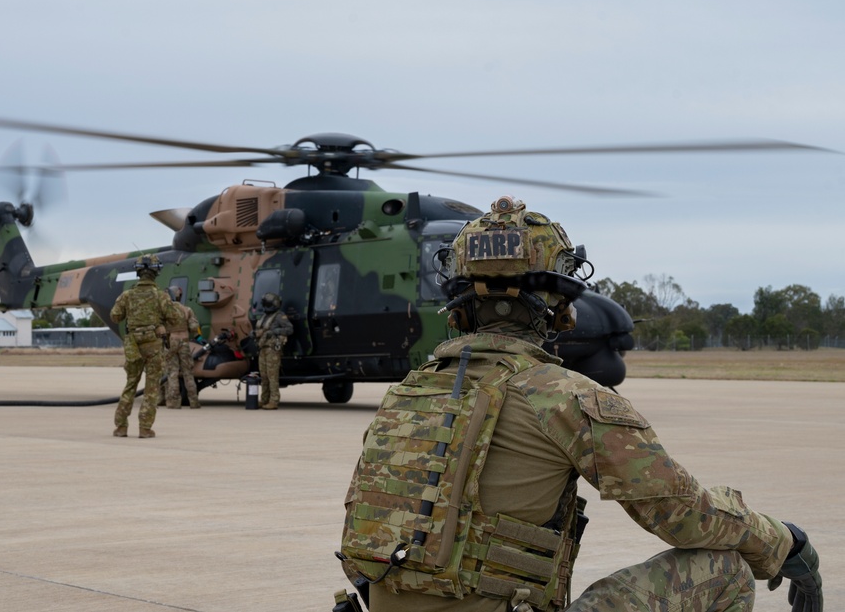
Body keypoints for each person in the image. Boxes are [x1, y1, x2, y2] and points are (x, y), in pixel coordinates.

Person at [337, 196, 822, 612]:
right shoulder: (564, 396)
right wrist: (784, 542)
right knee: (726, 567)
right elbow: (684, 515)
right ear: (558, 300)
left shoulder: (407, 392)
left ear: (459, 299)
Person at [109, 254, 177, 438]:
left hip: (133, 346)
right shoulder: (161, 296)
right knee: (152, 387)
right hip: (153, 345)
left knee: (131, 384)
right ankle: (145, 428)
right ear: (156, 272)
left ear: (138, 272)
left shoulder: (127, 295)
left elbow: (115, 316)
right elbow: (175, 318)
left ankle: (121, 427)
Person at [252, 292, 293, 410]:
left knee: (272, 376)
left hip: (272, 350)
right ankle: (264, 399)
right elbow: (259, 330)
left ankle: (274, 400)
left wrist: (275, 332)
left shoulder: (280, 316)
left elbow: (289, 329)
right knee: (264, 376)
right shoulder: (264, 316)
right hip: (263, 348)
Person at [164, 285, 202, 409]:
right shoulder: (187, 310)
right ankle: (194, 402)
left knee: (173, 372)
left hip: (172, 341)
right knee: (188, 373)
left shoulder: (166, 310)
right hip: (185, 341)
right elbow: (194, 327)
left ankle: (174, 403)